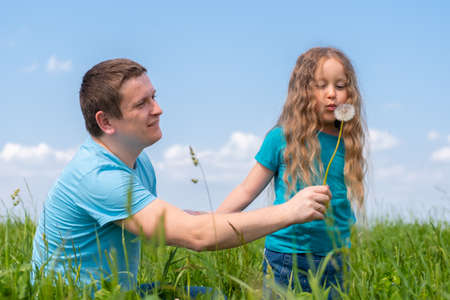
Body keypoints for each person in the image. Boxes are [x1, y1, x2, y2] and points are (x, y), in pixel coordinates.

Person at [31, 58, 331, 297]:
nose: (158, 110)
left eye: (154, 97)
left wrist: (205, 218)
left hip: (120, 293)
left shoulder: (139, 162)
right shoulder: (99, 177)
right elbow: (196, 236)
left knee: (208, 295)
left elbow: (160, 222)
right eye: (141, 104)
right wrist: (289, 211)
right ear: (106, 121)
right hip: (75, 295)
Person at [216, 47, 366, 298]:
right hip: (287, 256)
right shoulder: (281, 138)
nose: (332, 94)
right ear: (303, 91)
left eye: (340, 86)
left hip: (336, 258)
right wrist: (213, 221)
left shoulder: (347, 141)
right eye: (321, 85)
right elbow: (246, 189)